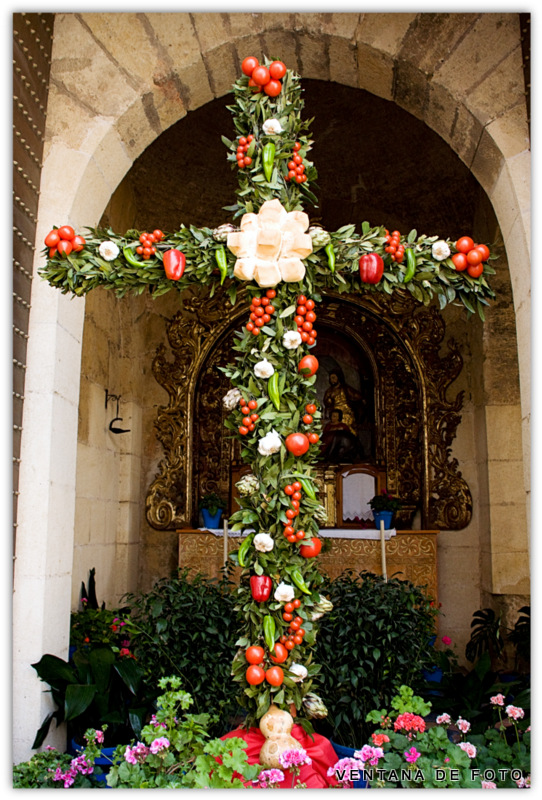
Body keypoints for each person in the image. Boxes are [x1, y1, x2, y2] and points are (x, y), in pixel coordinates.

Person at [323, 370, 364, 436]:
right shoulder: (329, 391)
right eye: (330, 379)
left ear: (338, 378)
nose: (332, 380)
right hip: (336, 414)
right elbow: (326, 402)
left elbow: (354, 395)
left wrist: (362, 399)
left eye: (333, 378)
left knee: (349, 431)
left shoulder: (345, 388)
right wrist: (328, 400)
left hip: (346, 413)